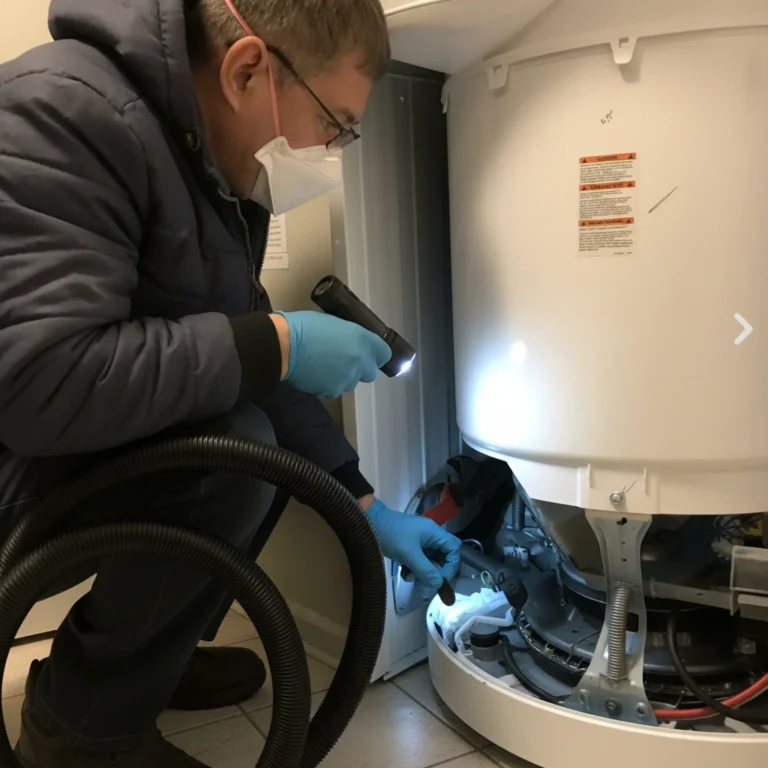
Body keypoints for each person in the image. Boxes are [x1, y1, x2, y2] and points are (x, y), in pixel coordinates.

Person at [0, 0, 463, 765]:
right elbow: (37, 385)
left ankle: (148, 662)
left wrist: (363, 503)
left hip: (43, 440)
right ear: (248, 69)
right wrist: (276, 341)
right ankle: (85, 733)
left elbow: (237, 355)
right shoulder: (66, 113)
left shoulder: (207, 165)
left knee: (254, 436)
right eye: (335, 124)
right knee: (232, 451)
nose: (332, 150)